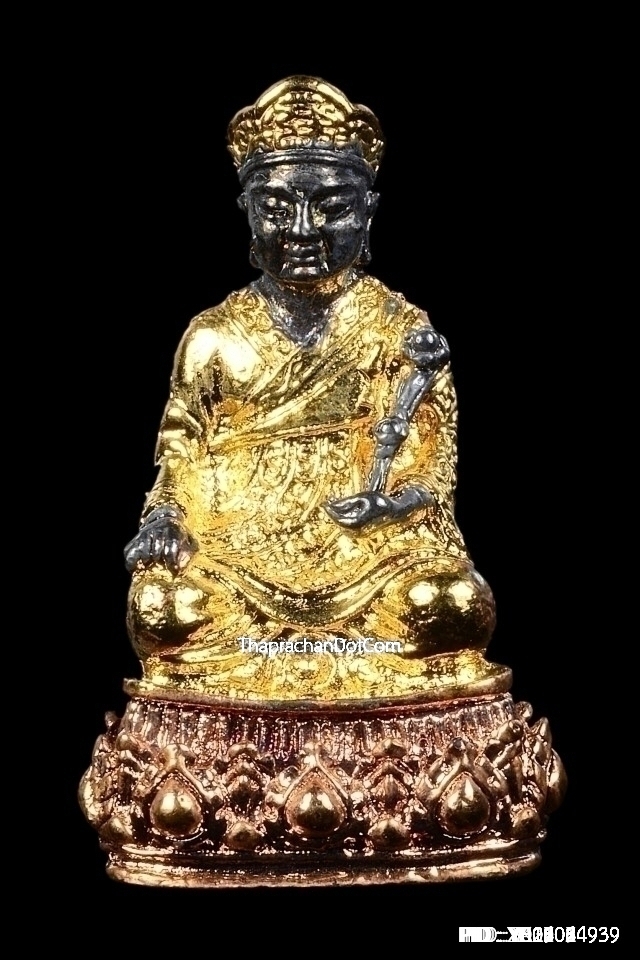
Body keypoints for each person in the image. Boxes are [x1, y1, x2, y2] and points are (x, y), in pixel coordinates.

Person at [123, 77, 505, 703]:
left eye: (332, 207)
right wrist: (166, 517)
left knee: (451, 603)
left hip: (371, 557)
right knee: (164, 610)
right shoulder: (213, 335)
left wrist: (393, 506)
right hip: (239, 552)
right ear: (247, 210)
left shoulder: (401, 330)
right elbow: (182, 446)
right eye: (275, 208)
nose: (302, 230)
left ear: (368, 211)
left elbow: (433, 462)